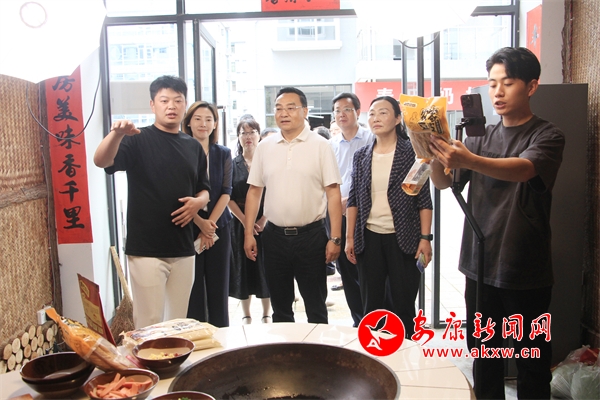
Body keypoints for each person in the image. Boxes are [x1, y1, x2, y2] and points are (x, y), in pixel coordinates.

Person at [428, 47, 565, 399]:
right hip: (479, 263)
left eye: (508, 82)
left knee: (531, 358)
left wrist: (469, 159)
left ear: (531, 86)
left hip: (524, 267)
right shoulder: (478, 137)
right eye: (492, 84)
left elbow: (525, 169)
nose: (498, 92)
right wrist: (432, 155)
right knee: (485, 355)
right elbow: (445, 183)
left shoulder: (547, 135)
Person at [93, 75, 210, 329]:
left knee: (178, 322)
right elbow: (101, 161)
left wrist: (197, 203)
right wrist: (116, 134)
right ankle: (147, 358)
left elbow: (205, 189)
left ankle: (176, 356)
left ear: (185, 105)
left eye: (178, 100)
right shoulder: (136, 138)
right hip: (146, 248)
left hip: (183, 247)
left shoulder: (193, 146)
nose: (171, 106)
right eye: (164, 100)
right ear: (152, 105)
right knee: (149, 322)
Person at [244, 87, 343, 324]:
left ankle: (317, 348)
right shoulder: (265, 147)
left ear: (305, 111)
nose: (283, 113)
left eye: (291, 107)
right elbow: (254, 192)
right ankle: (285, 349)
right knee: (280, 309)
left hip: (311, 237)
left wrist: (336, 238)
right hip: (274, 238)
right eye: (278, 108)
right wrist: (248, 234)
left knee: (316, 307)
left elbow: (333, 193)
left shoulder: (321, 145)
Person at [345, 96, 433, 336]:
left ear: (397, 119)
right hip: (369, 238)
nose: (376, 118)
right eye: (372, 113)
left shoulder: (414, 154)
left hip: (403, 239)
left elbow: (424, 200)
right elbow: (353, 200)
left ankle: (404, 352)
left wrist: (425, 238)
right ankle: (374, 353)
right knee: (371, 306)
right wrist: (350, 238)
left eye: (383, 113)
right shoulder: (361, 155)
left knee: (403, 305)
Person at [183, 101, 233, 328]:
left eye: (208, 119)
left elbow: (226, 191)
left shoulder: (223, 153)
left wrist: (209, 225)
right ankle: (195, 337)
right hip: (188, 226)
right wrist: (200, 223)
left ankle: (222, 337)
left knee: (218, 287)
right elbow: (177, 193)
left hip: (218, 227)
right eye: (197, 118)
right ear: (188, 123)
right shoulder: (180, 151)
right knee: (192, 289)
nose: (203, 124)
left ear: (215, 124)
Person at [329, 92, 374, 327]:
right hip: (338, 215)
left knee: (367, 270)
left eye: (346, 109)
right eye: (337, 110)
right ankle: (359, 322)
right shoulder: (331, 145)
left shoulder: (371, 139)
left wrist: (352, 200)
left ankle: (375, 321)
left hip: (366, 215)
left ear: (357, 112)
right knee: (346, 271)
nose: (341, 114)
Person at [228, 117, 272, 324]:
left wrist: (263, 220)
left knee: (265, 266)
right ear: (238, 137)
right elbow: (227, 197)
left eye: (252, 132)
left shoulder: (267, 162)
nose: (248, 137)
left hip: (265, 223)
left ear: (258, 135)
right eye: (243, 133)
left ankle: (266, 313)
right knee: (243, 267)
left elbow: (275, 193)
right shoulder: (232, 164)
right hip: (240, 223)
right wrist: (247, 221)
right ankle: (246, 314)